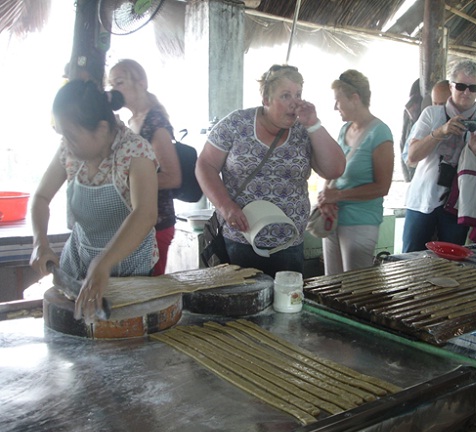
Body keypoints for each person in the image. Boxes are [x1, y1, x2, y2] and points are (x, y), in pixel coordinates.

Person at [195, 64, 345, 277]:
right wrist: (226, 206)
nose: (295, 102)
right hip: (240, 237)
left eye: (298, 94)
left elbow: (335, 169)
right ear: (266, 100)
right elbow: (205, 165)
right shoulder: (236, 124)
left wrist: (313, 123)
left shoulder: (305, 131)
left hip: (289, 243)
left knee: (287, 304)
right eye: (285, 96)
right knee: (241, 302)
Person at [29, 79, 159, 322]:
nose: (65, 142)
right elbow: (41, 197)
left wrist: (103, 264)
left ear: (101, 129)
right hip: (79, 261)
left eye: (71, 136)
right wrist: (40, 243)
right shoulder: (70, 151)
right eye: (63, 135)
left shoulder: (134, 152)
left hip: (129, 269)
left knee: (122, 337)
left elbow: (145, 214)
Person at [402, 60, 476, 253]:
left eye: (473, 87)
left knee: (450, 264)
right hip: (422, 201)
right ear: (451, 86)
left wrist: (474, 151)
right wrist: (440, 133)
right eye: (461, 86)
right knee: (409, 261)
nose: (466, 92)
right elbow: (411, 158)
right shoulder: (431, 114)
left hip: (458, 205)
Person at [108, 59, 181, 276]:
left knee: (147, 291)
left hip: (156, 223)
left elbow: (173, 177)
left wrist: (130, 183)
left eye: (119, 82)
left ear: (141, 82)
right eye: (111, 85)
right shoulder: (130, 123)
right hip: (135, 222)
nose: (114, 90)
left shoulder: (155, 123)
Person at [317, 70, 394, 275]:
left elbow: (382, 187)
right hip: (333, 219)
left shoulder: (380, 133)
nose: (335, 107)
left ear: (355, 98)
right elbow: (333, 170)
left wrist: (339, 195)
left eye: (338, 100)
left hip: (360, 221)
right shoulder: (345, 130)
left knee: (354, 288)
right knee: (330, 284)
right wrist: (326, 197)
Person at [401, 80, 451, 166]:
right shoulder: (424, 121)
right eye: (435, 104)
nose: (438, 109)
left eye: (442, 104)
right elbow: (407, 158)